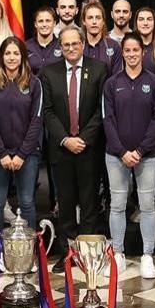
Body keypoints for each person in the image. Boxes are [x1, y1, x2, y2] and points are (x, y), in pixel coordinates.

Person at [40, 27, 107, 271]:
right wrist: (66, 139)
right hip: (62, 149)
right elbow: (46, 111)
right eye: (66, 45)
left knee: (90, 203)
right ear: (60, 46)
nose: (70, 48)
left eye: (75, 44)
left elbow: (102, 109)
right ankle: (67, 253)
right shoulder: (49, 73)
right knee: (65, 205)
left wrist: (83, 138)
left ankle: (86, 255)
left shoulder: (99, 69)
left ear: (82, 44)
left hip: (89, 149)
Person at [102, 33, 155, 279]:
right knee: (117, 206)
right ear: (123, 53)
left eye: (135, 50)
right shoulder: (111, 83)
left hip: (147, 156)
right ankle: (117, 253)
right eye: (126, 50)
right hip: (116, 156)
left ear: (143, 52)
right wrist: (122, 151)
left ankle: (147, 256)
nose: (131, 54)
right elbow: (108, 120)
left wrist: (139, 151)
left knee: (147, 206)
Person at [0, 37, 43, 227]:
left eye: (16, 53)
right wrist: (1, 153)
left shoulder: (34, 83)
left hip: (27, 154)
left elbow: (36, 121)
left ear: (23, 56)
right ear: (1, 56)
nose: (11, 57)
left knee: (26, 202)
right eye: (7, 53)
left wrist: (22, 154)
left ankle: (29, 254)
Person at [81, 0, 121, 74]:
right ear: (84, 21)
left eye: (98, 18)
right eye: (90, 18)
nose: (94, 22)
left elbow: (117, 79)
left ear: (103, 21)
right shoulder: (78, 46)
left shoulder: (114, 46)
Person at [26, 6, 61, 74]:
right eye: (40, 21)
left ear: (54, 23)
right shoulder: (26, 47)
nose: (44, 24)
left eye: (48, 21)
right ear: (35, 24)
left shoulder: (61, 45)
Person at [135, 7, 155, 75]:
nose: (145, 23)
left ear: (154, 23)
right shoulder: (129, 47)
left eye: (149, 19)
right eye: (141, 19)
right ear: (136, 23)